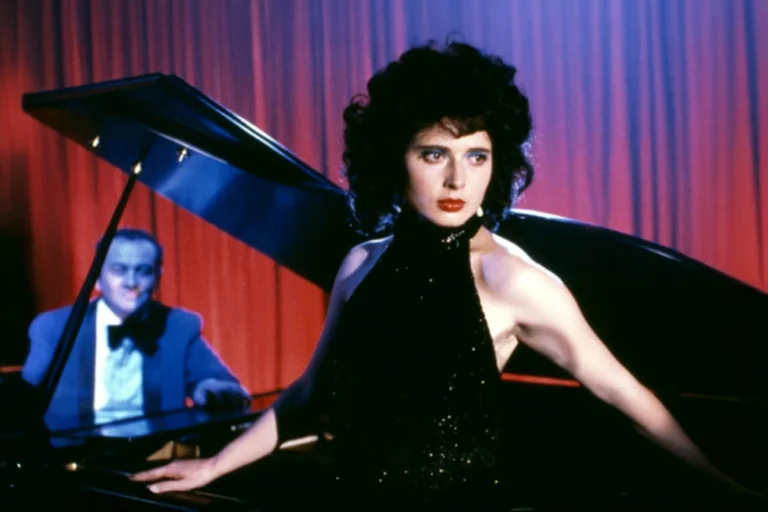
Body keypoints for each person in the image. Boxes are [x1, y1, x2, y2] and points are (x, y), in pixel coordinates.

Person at [130, 41, 762, 509]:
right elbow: (307, 397)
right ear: (395, 158)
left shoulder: (511, 279)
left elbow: (625, 394)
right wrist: (212, 467)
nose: (459, 179)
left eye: (477, 156)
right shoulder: (360, 263)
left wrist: (726, 489)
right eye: (435, 153)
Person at [22, 228, 250, 428]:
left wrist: (209, 388)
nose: (131, 282)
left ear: (157, 279)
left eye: (143, 271)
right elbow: (25, 395)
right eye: (119, 270)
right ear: (97, 278)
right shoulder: (55, 327)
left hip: (156, 451)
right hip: (74, 453)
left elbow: (215, 380)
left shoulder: (179, 326)